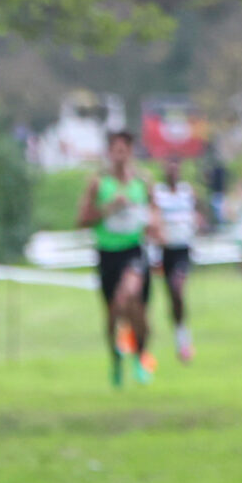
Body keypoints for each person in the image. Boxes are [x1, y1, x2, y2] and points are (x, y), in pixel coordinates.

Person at [78, 129, 157, 386]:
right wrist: (110, 207)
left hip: (134, 250)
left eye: (124, 150)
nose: (119, 156)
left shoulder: (143, 181)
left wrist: (154, 226)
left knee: (130, 296)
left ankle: (141, 356)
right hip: (107, 253)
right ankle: (116, 360)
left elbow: (154, 214)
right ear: (109, 153)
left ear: (131, 152)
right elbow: (82, 220)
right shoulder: (98, 183)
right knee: (113, 313)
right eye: (115, 151)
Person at [152, 155, 201, 362]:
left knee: (177, 287)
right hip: (165, 250)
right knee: (172, 295)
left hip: (182, 248)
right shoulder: (158, 193)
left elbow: (196, 216)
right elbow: (153, 218)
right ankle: (180, 335)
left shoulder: (187, 192)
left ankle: (183, 338)